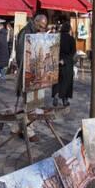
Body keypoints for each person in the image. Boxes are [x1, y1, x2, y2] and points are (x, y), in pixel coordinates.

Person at [14, 14, 48, 142]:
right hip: (27, 73)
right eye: (40, 26)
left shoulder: (34, 32)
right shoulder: (26, 32)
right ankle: (28, 131)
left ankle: (19, 128)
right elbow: (23, 56)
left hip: (35, 72)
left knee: (33, 102)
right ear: (35, 22)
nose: (41, 29)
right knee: (29, 102)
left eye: (43, 27)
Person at [52, 22, 76, 107]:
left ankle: (55, 96)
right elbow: (72, 53)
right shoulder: (71, 39)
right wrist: (64, 60)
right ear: (69, 29)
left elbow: (52, 50)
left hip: (56, 61)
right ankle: (65, 100)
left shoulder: (56, 38)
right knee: (66, 81)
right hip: (67, 63)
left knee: (56, 80)